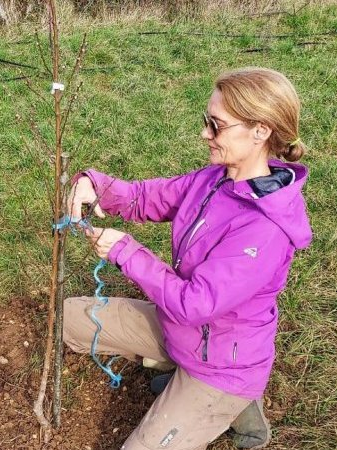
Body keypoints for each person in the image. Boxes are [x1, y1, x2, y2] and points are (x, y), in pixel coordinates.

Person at [63, 67, 312, 450]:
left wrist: (124, 251)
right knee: (66, 319)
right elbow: (147, 197)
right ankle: (180, 376)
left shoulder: (265, 230)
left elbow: (195, 303)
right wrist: (95, 184)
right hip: (179, 330)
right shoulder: (216, 179)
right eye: (206, 121)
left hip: (220, 366)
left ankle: (230, 403)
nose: (204, 134)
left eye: (216, 125)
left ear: (260, 131)